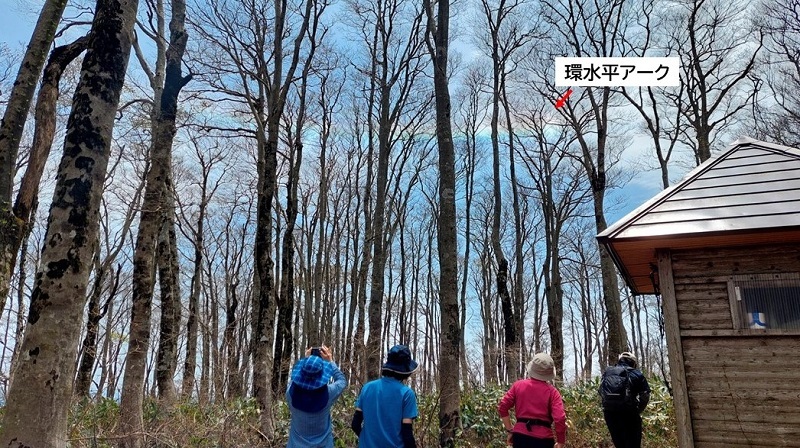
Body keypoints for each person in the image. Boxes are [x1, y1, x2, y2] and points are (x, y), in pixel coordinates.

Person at [351, 344, 419, 448]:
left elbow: (355, 424)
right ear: (405, 371)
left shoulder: (367, 388)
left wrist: (366, 440)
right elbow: (407, 435)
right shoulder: (406, 394)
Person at [498, 353, 567, 448]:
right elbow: (560, 418)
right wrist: (560, 441)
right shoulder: (553, 392)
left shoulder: (518, 386)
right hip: (543, 440)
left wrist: (510, 430)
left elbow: (502, 407)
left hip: (520, 437)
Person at [287, 345, 347, 448]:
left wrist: (307, 360)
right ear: (322, 376)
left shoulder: (290, 394)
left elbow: (293, 381)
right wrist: (330, 361)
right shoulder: (329, 393)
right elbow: (342, 381)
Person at [599, 351, 651, 448]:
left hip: (610, 414)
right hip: (629, 413)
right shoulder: (636, 374)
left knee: (620, 444)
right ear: (633, 362)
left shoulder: (607, 372)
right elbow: (645, 395)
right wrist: (638, 410)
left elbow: (600, 392)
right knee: (633, 444)